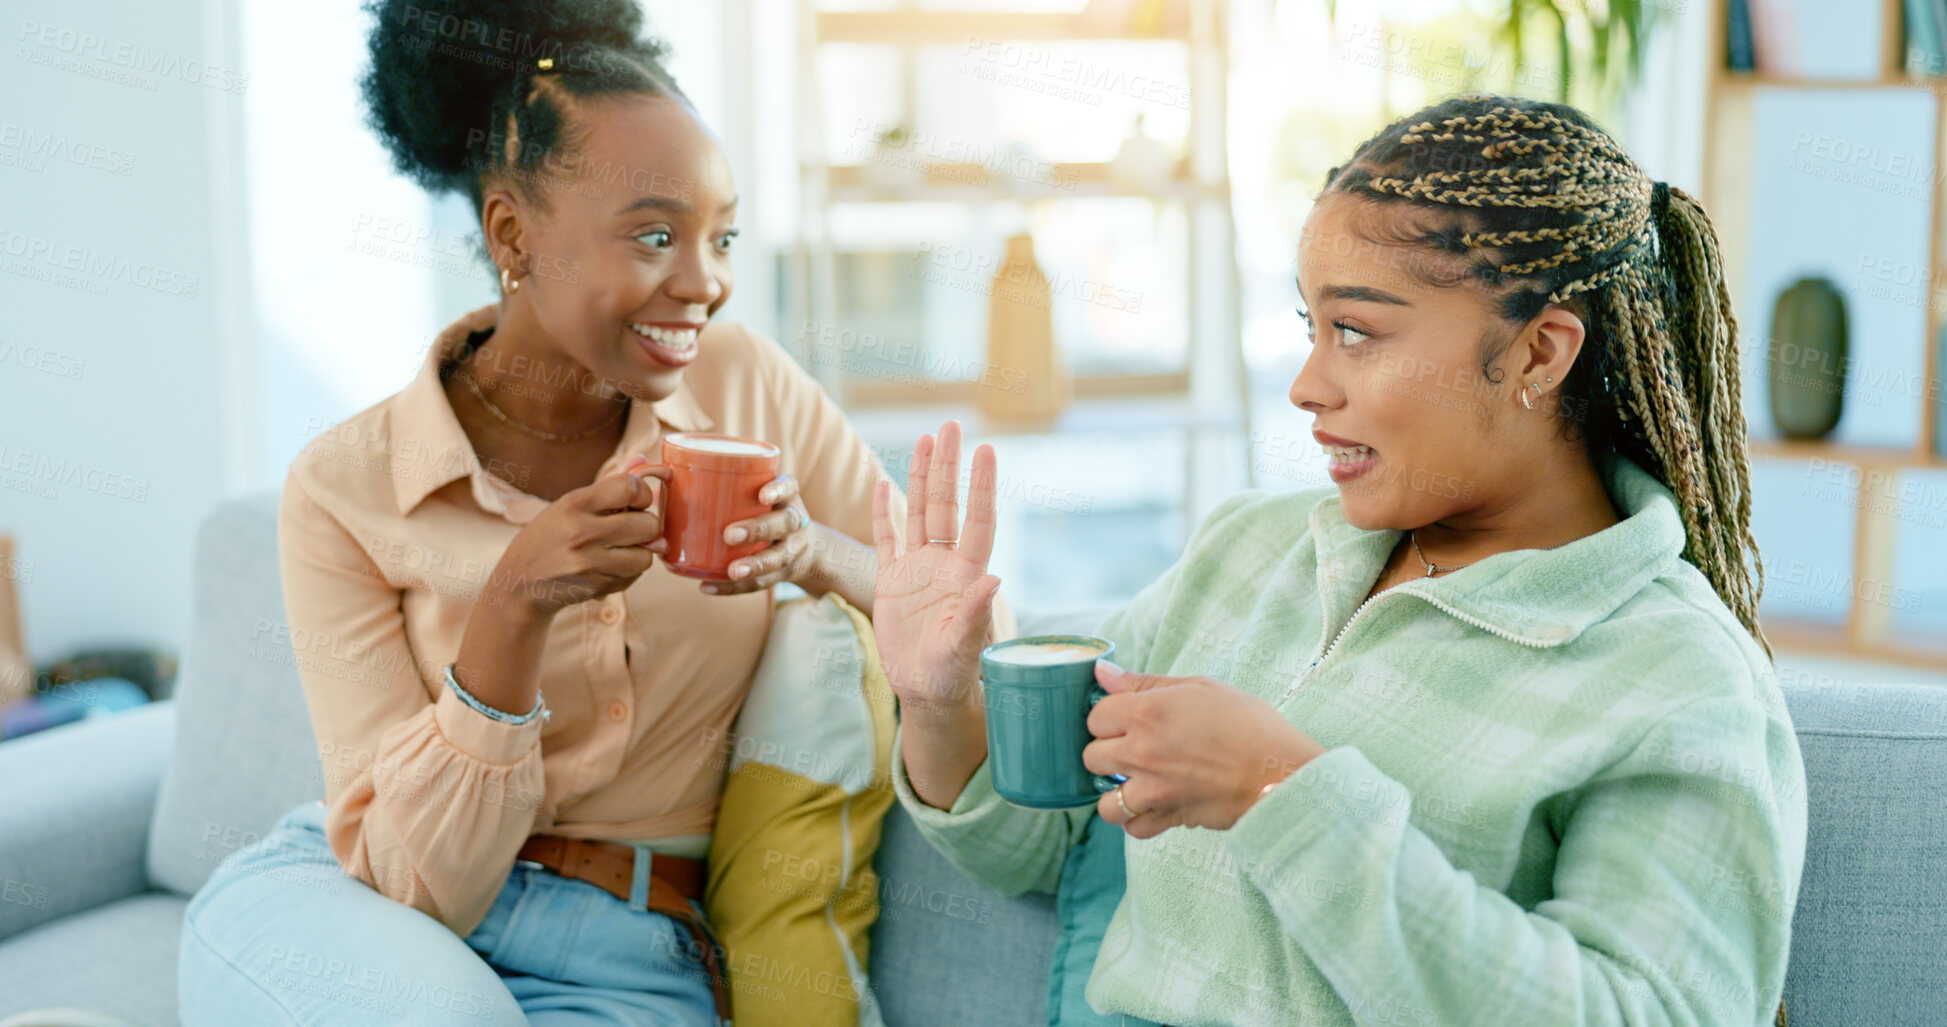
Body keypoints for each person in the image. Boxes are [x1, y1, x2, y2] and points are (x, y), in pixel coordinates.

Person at [873, 96, 1807, 1026]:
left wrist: (1279, 789)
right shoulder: (1244, 552)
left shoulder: (1679, 681)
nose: (1306, 384)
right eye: (1310, 329)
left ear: (1538, 351)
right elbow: (1038, 851)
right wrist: (937, 699)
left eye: (1355, 331)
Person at [174, 1, 978, 1023]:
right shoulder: (343, 488)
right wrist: (511, 606)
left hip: (632, 956)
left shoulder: (750, 393)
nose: (708, 283)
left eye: (720, 236)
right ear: (512, 232)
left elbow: (936, 615)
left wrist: (812, 552)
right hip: (368, 917)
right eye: (655, 235)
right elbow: (409, 883)